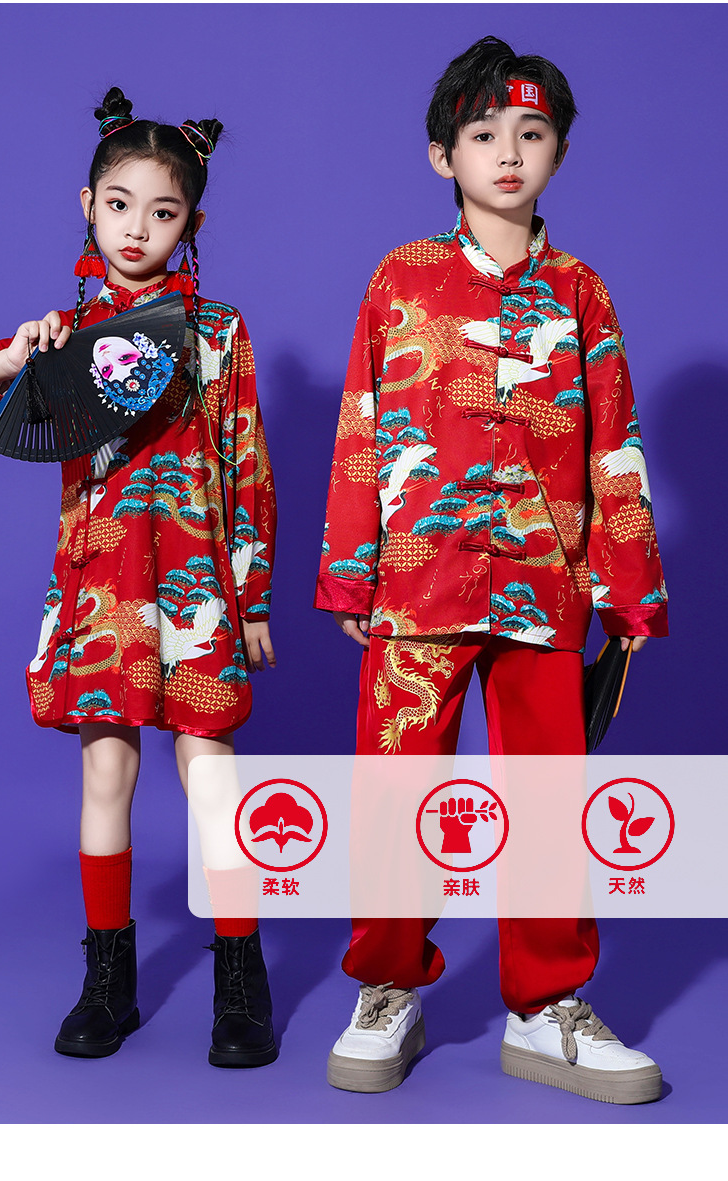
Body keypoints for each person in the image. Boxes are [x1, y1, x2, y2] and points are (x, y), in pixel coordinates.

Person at [314, 37, 667, 1103]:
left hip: (546, 586)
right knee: (397, 792)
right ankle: (386, 986)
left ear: (559, 149)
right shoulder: (400, 280)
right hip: (417, 584)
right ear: (444, 156)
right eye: (482, 134)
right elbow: (362, 424)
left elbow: (614, 446)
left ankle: (546, 1001)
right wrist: (350, 571)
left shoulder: (580, 293)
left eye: (531, 132)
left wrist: (629, 591)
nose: (507, 153)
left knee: (548, 797)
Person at [0, 87, 278, 1068]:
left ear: (192, 224)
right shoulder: (63, 333)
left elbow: (247, 467)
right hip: (98, 582)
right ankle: (108, 979)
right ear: (86, 204)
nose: (138, 228)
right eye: (120, 204)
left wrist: (251, 598)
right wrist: (11, 355)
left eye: (163, 212)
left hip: (198, 583)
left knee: (212, 773)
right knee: (106, 769)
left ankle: (240, 977)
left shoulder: (217, 331)